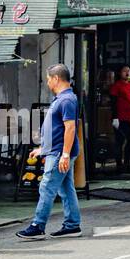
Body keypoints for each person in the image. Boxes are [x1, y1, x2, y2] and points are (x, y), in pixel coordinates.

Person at [15, 64, 83, 242]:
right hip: (57, 151)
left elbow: (70, 128)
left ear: (56, 79)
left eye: (48, 79)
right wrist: (42, 149)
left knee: (47, 188)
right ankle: (72, 225)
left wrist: (65, 154)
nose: (47, 83)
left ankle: (38, 226)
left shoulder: (66, 100)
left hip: (59, 153)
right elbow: (59, 129)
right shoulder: (63, 98)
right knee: (66, 189)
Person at [108, 66, 130, 173]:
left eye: (129, 71)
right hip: (120, 118)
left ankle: (127, 162)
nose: (127, 73)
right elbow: (113, 102)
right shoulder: (116, 86)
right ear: (120, 73)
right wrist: (115, 117)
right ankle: (119, 164)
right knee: (120, 141)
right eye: (125, 71)